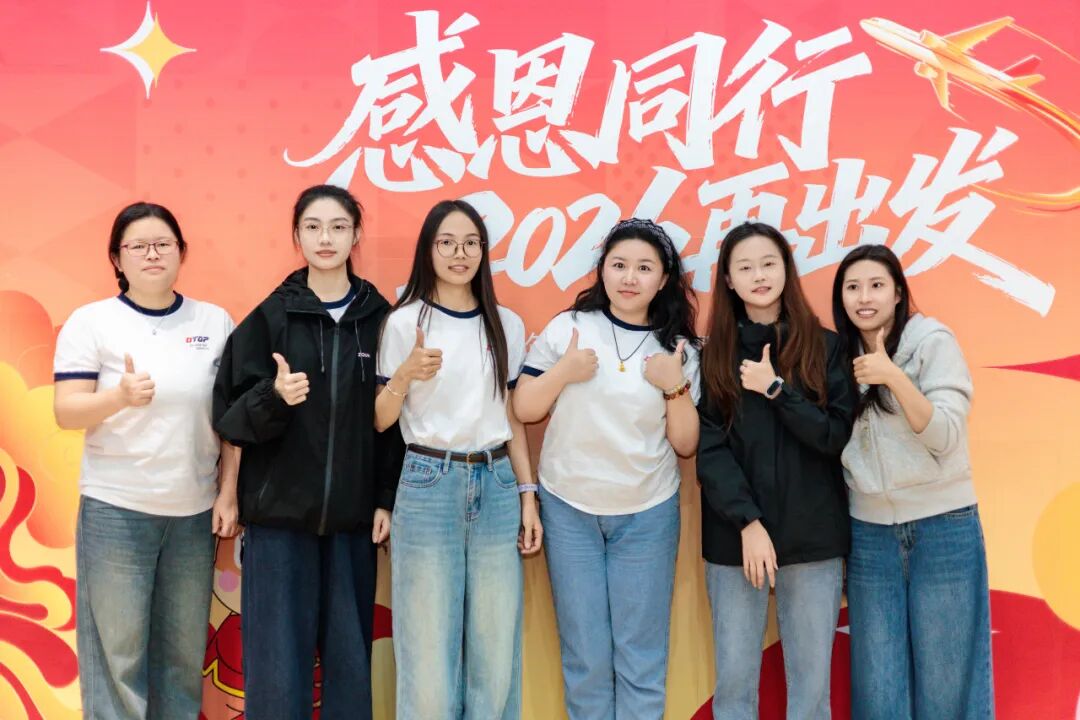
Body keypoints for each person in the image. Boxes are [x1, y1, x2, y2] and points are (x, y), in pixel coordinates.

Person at [212, 184, 403, 720]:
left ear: (356, 236)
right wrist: (274, 398)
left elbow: (395, 422)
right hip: (278, 522)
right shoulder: (272, 316)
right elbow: (229, 417)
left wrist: (384, 498)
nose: (326, 238)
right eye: (313, 227)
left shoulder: (381, 319)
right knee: (277, 669)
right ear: (296, 236)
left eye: (338, 227)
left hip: (352, 523)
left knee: (349, 665)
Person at [53, 201, 238, 719]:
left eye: (163, 244)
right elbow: (66, 411)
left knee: (180, 660)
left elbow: (233, 419)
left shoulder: (214, 321)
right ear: (117, 258)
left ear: (182, 252)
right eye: (138, 246)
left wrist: (228, 492)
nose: (152, 254)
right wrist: (118, 397)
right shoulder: (92, 322)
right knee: (118, 658)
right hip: (117, 510)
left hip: (193, 513)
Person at [513, 218, 700, 720]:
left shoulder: (678, 347)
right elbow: (525, 408)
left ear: (664, 279)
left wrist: (674, 384)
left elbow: (686, 444)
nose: (629, 278)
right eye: (619, 265)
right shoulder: (569, 328)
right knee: (586, 659)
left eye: (644, 268)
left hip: (647, 514)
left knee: (641, 659)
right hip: (568, 509)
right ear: (602, 271)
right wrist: (564, 371)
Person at [375, 199, 542, 719]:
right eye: (446, 242)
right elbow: (380, 419)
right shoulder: (404, 322)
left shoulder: (505, 323)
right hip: (428, 482)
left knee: (494, 656)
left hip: (496, 483)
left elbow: (512, 416)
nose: (459, 253)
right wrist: (405, 375)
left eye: (471, 243)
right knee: (427, 658)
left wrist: (527, 495)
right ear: (428, 250)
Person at [697, 221, 853, 720]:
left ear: (786, 268)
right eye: (745, 267)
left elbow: (834, 437)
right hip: (736, 538)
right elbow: (709, 449)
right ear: (728, 279)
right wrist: (747, 521)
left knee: (811, 690)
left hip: (812, 536)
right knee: (734, 687)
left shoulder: (826, 347)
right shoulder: (713, 354)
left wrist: (775, 390)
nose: (759, 276)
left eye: (769, 263)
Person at [833, 243, 993, 720]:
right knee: (878, 686)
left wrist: (893, 377)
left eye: (877, 285)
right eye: (853, 287)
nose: (865, 297)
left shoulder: (931, 341)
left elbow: (945, 436)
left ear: (899, 293)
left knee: (948, 682)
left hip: (944, 526)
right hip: (869, 533)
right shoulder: (836, 356)